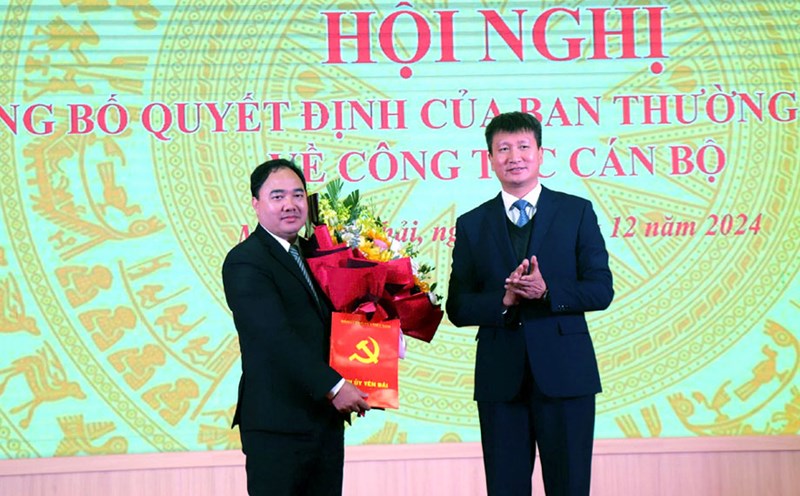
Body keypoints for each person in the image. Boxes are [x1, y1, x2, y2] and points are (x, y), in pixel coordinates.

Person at [446, 112, 614, 496]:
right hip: (500, 379)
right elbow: (458, 306)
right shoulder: (472, 224)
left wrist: (548, 291)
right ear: (489, 159)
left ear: (540, 153)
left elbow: (601, 289)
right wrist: (503, 301)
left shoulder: (576, 212)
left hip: (567, 375)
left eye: (523, 147)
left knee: (569, 487)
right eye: (503, 149)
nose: (514, 156)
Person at [222, 158, 370, 496]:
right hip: (278, 424)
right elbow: (275, 337)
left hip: (323, 421)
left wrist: (381, 332)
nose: (290, 205)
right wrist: (334, 386)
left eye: (298, 195)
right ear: (256, 204)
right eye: (277, 196)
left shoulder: (315, 254)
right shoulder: (246, 260)